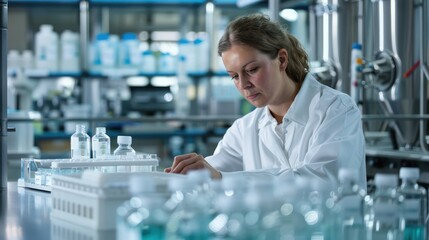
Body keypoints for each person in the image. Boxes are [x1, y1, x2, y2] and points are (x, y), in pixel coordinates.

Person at [165, 13, 366, 189]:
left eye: (252, 70)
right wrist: (191, 175)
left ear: (281, 60)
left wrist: (221, 179)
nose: (243, 84)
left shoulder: (336, 109)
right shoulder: (245, 129)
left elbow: (323, 181)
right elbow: (214, 172)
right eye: (234, 76)